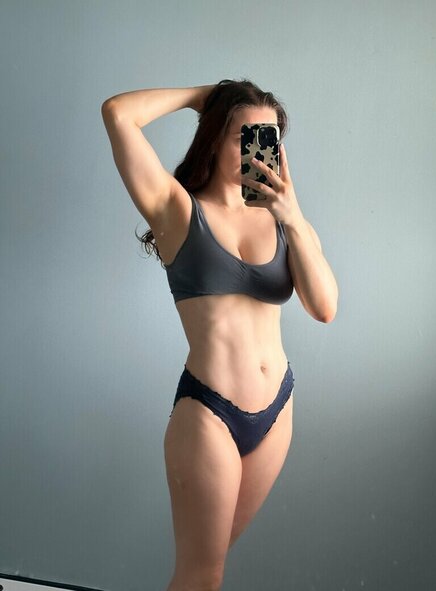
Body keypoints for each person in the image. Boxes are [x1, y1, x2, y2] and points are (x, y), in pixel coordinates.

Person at [101, 79, 338, 591]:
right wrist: (203, 95)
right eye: (245, 136)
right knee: (201, 576)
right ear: (214, 137)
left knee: (207, 570)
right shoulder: (176, 209)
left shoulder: (285, 222)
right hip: (210, 414)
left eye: (269, 137)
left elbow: (324, 308)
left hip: (277, 411)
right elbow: (117, 113)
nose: (259, 149)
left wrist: (293, 217)